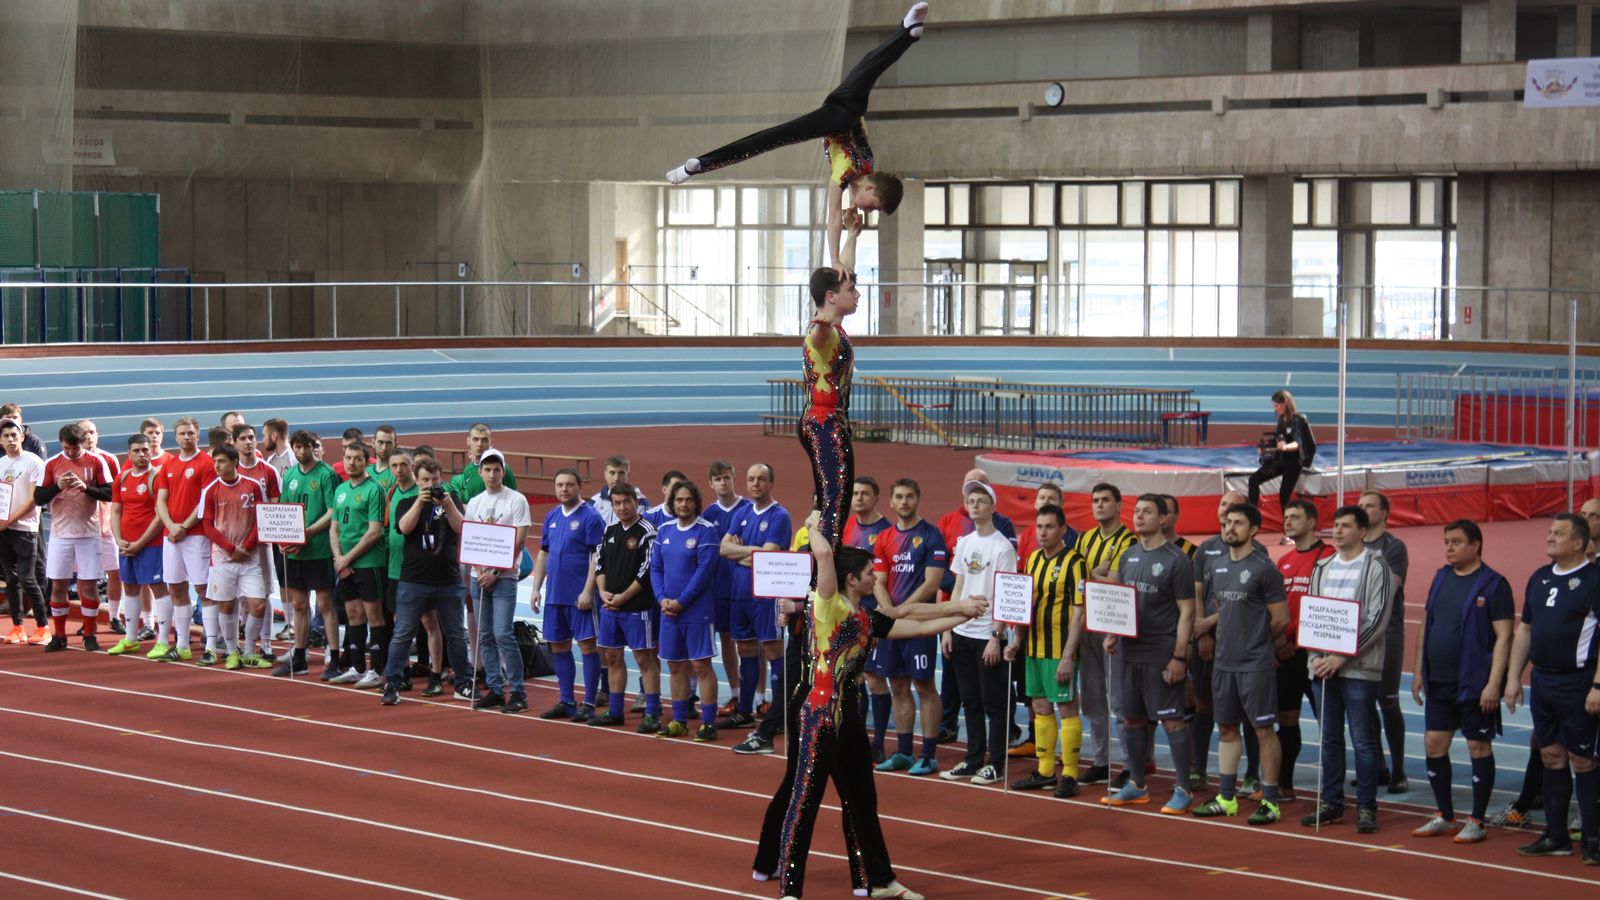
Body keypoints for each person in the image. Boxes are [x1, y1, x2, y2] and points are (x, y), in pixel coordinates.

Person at [758, 508, 978, 900]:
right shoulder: (827, 605)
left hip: (850, 717)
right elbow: (824, 556)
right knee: (804, 800)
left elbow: (918, 624)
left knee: (862, 799)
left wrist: (961, 613)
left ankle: (880, 881)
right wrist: (812, 525)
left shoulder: (865, 618)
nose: (877, 576)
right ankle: (790, 888)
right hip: (817, 716)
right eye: (869, 573)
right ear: (851, 580)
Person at [666, 3, 925, 274]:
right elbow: (833, 216)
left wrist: (851, 218)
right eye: (875, 208)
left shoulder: (865, 169)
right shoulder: (844, 175)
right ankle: (907, 32)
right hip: (838, 118)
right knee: (770, 139)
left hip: (849, 107)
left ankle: (908, 32)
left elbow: (849, 202)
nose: (869, 213)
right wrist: (835, 259)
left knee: (869, 67)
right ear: (871, 190)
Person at [1409, 519, 1514, 845]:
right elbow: (1428, 625)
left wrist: (1494, 683)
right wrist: (1417, 672)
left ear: (1475, 545)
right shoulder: (1441, 578)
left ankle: (1478, 820)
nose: (1449, 548)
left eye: (1456, 542)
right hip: (1438, 681)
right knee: (1433, 744)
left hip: (1474, 684)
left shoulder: (1494, 585)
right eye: (1446, 542)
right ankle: (1444, 815)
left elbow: (1505, 636)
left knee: (1477, 747)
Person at [1503, 513, 1600, 862]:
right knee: (1550, 755)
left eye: (1558, 533)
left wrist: (1598, 686)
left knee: (1584, 760)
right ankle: (1556, 836)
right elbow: (1524, 630)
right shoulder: (1540, 578)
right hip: (1542, 681)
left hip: (1578, 682)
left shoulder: (1594, 579)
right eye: (1549, 531)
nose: (1549, 537)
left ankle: (1592, 839)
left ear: (1578, 542)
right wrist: (1514, 678)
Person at [1189, 503, 1288, 825]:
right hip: (1223, 663)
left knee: (1262, 730)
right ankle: (1227, 797)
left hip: (1254, 664)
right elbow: (1223, 609)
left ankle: (1271, 801)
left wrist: (1255, 643)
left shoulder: (1264, 569)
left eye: (1238, 523)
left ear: (1254, 529)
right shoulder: (1217, 566)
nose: (1229, 527)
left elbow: (1280, 620)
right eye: (1227, 522)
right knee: (1227, 728)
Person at [1100, 494, 1198, 814]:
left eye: (1147, 512)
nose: (1139, 517)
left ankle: (1184, 788)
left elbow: (1187, 612)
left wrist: (1179, 656)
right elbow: (1116, 599)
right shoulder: (1128, 556)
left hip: (1161, 652)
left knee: (1171, 721)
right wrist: (1113, 632)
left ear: (1163, 519)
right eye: (1137, 511)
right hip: (1130, 652)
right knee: (1133, 719)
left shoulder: (1176, 560)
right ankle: (1138, 785)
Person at [1302, 505, 1395, 834]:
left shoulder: (1376, 566)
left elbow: (1378, 619)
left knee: (1363, 741)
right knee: (1328, 740)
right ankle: (1331, 801)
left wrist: (1341, 658)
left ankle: (1367, 807)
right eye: (1336, 525)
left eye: (1345, 526)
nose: (1338, 531)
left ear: (1362, 532)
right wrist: (1315, 655)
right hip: (1322, 669)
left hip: (1357, 669)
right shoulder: (1323, 566)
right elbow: (1312, 614)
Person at [1005, 502, 1088, 799]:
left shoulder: (1076, 561)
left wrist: (1068, 655)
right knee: (1040, 708)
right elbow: (1025, 606)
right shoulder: (1033, 559)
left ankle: (1070, 774)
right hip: (1033, 648)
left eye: (1049, 526)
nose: (1042, 532)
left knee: (1066, 708)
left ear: (1063, 529)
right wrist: (1016, 640)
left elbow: (1079, 612)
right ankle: (1044, 771)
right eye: (1039, 527)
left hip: (1058, 649)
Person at [1189, 489, 1269, 793]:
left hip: (1242, 643)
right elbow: (1199, 594)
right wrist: (1204, 633)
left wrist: (1209, 623)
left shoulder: (1258, 554)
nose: (1226, 513)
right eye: (1223, 505)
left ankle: (1251, 774)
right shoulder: (1205, 549)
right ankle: (1199, 769)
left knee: (1247, 713)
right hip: (1207, 643)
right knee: (1204, 706)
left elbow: (1242, 603)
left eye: (1234, 509)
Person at [939, 480, 1018, 787]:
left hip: (987, 635)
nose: (975, 505)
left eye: (982, 500)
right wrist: (948, 627)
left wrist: (996, 636)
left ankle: (996, 763)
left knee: (993, 703)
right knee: (970, 701)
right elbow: (958, 585)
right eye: (971, 500)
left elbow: (1006, 593)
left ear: (993, 508)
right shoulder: (965, 542)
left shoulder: (1002, 548)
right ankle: (973, 759)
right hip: (961, 631)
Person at [868, 477, 947, 775]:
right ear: (891, 502)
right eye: (899, 497)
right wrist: (888, 611)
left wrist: (900, 611)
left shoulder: (931, 536)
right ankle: (903, 752)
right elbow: (878, 581)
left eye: (909, 496)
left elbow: (932, 583)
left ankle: (928, 754)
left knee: (925, 685)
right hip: (892, 624)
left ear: (918, 499)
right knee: (897, 685)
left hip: (918, 624)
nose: (904, 502)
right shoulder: (885, 538)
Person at [382, 457, 474, 706]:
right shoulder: (406, 502)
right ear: (416, 479)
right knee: (402, 634)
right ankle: (392, 683)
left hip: (448, 581)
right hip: (414, 580)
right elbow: (404, 527)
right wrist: (420, 504)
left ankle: (464, 683)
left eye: (434, 480)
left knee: (456, 634)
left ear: (441, 479)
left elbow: (462, 528)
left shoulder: (451, 501)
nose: (430, 485)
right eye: (425, 480)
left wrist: (447, 503)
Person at [718, 463, 792, 730]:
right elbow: (723, 548)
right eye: (751, 479)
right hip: (740, 594)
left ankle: (781, 713)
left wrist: (745, 554)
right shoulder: (742, 511)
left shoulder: (779, 516)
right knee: (746, 649)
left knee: (772, 649)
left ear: (771, 483)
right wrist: (754, 554)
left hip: (766, 594)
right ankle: (746, 711)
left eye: (761, 479)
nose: (755, 484)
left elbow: (769, 556)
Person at [1073, 482, 1137, 787]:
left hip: (1113, 627)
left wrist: (1091, 574)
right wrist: (1095, 572)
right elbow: (1081, 579)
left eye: (1105, 500)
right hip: (1087, 626)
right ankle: (1100, 761)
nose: (1099, 505)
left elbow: (1113, 581)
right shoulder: (1085, 538)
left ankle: (1128, 764)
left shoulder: (1128, 540)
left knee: (1120, 700)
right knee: (1093, 700)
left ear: (1118, 505)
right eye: (1095, 500)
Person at [532, 467, 606, 720]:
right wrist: (536, 588)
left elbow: (597, 556)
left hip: (580, 597)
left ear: (579, 487)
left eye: (569, 485)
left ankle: (589, 703)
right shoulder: (552, 516)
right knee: (559, 646)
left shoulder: (591, 518)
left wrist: (588, 591)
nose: (564, 489)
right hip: (555, 595)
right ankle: (566, 701)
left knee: (587, 646)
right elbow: (543, 552)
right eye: (560, 485)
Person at [1273, 498, 1335, 800]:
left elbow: (1323, 607)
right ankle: (1284, 784)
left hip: (1316, 654)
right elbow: (1273, 606)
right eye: (1286, 517)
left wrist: (1290, 637)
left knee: (1330, 723)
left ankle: (1333, 791)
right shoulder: (1283, 561)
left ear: (1312, 522)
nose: (1288, 522)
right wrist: (1277, 641)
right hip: (1285, 655)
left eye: (1295, 517)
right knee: (1286, 719)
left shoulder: (1328, 558)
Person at [797, 264, 861, 551]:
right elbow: (819, 338)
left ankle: (820, 572)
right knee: (834, 503)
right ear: (831, 296)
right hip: (823, 423)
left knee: (829, 501)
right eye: (851, 290)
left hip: (825, 422)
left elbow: (842, 266)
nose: (857, 295)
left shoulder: (834, 327)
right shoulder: (824, 332)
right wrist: (821, 326)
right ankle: (820, 582)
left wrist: (849, 234)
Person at [649, 480, 721, 739]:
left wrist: (681, 602)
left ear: (696, 503)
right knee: (676, 666)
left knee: (701, 666)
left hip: (696, 611)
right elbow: (655, 568)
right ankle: (678, 720)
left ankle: (708, 723)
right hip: (668, 611)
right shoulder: (665, 530)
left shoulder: (706, 531)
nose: (683, 504)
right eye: (679, 500)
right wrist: (661, 599)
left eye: (688, 499)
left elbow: (704, 572)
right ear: (672, 502)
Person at [464, 449, 532, 712]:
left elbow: (520, 540)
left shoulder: (516, 500)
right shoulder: (475, 503)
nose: (492, 474)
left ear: (503, 471)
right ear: (480, 472)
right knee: (484, 635)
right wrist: (481, 571)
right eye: (487, 469)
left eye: (496, 469)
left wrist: (494, 572)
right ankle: (494, 687)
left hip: (503, 578)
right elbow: (470, 540)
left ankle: (518, 692)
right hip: (478, 577)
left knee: (502, 633)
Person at [37, 423, 115, 652]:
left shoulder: (96, 461)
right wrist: (57, 487)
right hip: (61, 534)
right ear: (61, 444)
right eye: (67, 448)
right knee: (58, 584)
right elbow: (38, 498)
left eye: (75, 449)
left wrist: (85, 488)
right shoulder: (51, 464)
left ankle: (90, 634)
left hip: (89, 533)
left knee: (88, 585)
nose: (71, 453)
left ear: (83, 444)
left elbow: (110, 493)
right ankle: (59, 635)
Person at [591, 483, 661, 729]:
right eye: (617, 503)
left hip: (637, 608)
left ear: (636, 501)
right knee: (612, 657)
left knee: (644, 659)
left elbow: (646, 573)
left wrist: (623, 597)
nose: (622, 507)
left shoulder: (647, 531)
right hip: (610, 607)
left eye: (626, 502)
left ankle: (652, 713)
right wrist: (601, 591)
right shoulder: (609, 529)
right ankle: (615, 711)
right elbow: (600, 565)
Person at [272, 430, 340, 679]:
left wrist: (308, 532)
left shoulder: (326, 475)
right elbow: (283, 511)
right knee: (299, 604)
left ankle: (333, 655)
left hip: (319, 549)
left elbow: (333, 511)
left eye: (306, 447)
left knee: (325, 603)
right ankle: (299, 656)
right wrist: (282, 537)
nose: (301, 452)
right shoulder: (290, 474)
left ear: (314, 447)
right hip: (295, 551)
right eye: (297, 447)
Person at [197, 443, 271, 670]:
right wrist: (231, 548)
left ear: (234, 462)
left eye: (221, 461)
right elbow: (207, 526)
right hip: (222, 559)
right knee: (226, 606)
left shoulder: (253, 486)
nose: (217, 466)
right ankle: (231, 651)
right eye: (215, 462)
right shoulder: (210, 490)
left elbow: (261, 519)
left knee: (258, 604)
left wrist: (247, 547)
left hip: (250, 558)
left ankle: (249, 650)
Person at [1357, 489, 1411, 795]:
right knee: (1361, 701)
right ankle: (1377, 767)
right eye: (1360, 505)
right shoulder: (1352, 545)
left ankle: (1399, 771)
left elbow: (1387, 589)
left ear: (1384, 513)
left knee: (1388, 700)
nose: (1363, 509)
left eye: (1369, 505)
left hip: (1387, 632)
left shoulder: (1394, 547)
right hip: (1354, 631)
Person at [328, 441, 389, 689]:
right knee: (353, 614)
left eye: (357, 459)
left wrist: (347, 558)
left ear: (366, 461)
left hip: (369, 562)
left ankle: (377, 669)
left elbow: (374, 532)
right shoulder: (341, 489)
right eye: (348, 458)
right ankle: (356, 667)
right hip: (344, 563)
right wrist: (337, 558)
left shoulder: (374, 489)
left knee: (374, 615)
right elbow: (334, 527)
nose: (351, 463)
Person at [155, 416, 214, 661]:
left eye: (191, 433)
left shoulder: (206, 463)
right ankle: (182, 645)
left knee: (203, 589)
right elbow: (161, 500)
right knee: (176, 587)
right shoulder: (169, 465)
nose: (187, 437)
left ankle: (211, 646)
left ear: (198, 434)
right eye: (182, 434)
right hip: (172, 537)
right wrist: (170, 526)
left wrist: (184, 527)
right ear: (175, 436)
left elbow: (205, 500)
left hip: (196, 535)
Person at [106, 434, 167, 657]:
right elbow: (115, 511)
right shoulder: (121, 479)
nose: (142, 454)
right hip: (126, 544)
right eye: (137, 451)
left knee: (158, 588)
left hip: (151, 544)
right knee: (130, 587)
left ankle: (163, 640)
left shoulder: (157, 477)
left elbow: (161, 516)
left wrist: (140, 542)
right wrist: (118, 539)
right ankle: (131, 638)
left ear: (151, 451)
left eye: (145, 450)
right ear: (129, 454)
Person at [703, 459, 754, 719]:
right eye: (718, 479)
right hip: (719, 588)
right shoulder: (708, 515)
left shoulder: (748, 508)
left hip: (747, 586)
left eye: (727, 477)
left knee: (752, 643)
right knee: (727, 641)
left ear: (734, 477)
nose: (723, 482)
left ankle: (759, 697)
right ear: (711, 483)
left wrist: (735, 552)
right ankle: (735, 694)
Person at [233, 423, 282, 660]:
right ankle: (244, 638)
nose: (249, 442)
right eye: (243, 438)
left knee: (264, 592)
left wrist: (263, 531)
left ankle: (266, 643)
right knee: (241, 594)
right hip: (235, 542)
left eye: (252, 437)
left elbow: (275, 503)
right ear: (235, 443)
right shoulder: (230, 471)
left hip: (261, 542)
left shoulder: (268, 471)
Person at [0, 418, 49, 644]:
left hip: (25, 529)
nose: (10, 440)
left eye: (13, 435)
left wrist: (10, 519)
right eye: (6, 436)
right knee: (11, 579)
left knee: (28, 578)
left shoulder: (33, 462)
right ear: (0, 441)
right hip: (4, 529)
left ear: (22, 437)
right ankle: (18, 627)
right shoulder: (1, 464)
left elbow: (33, 499)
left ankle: (43, 627)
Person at [76, 420, 123, 636]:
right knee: (86, 575)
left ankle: (114, 617)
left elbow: (118, 493)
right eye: (84, 433)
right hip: (83, 528)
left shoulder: (109, 459)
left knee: (115, 572)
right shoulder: (72, 461)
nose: (89, 437)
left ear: (98, 435)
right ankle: (89, 619)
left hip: (107, 527)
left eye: (92, 432)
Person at [1246, 389, 1314, 514]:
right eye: (1274, 406)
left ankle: (1288, 527)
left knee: (1284, 496)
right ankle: (1252, 516)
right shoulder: (1282, 420)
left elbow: (1298, 443)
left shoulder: (1297, 419)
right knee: (1253, 480)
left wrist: (1285, 447)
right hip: (1280, 460)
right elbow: (1279, 439)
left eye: (1277, 405)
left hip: (1294, 462)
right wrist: (1265, 448)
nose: (1275, 409)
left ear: (1286, 403)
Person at [448, 423, 518, 502]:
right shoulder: (468, 470)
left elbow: (514, 498)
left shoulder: (502, 468)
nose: (480, 444)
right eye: (475, 439)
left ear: (491, 442)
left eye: (484, 440)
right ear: (468, 441)